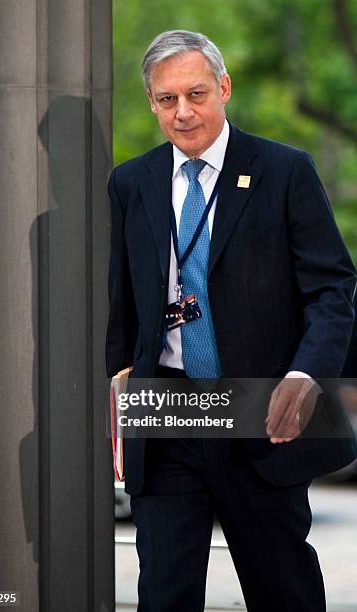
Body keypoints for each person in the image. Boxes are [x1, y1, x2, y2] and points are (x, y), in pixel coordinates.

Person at [106, 30, 357, 611]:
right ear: (151, 102)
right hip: (168, 413)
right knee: (164, 596)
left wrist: (305, 375)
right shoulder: (131, 183)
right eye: (167, 100)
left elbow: (332, 287)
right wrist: (118, 374)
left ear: (224, 87)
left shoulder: (285, 169)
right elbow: (123, 297)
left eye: (195, 94)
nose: (183, 112)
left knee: (284, 593)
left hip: (260, 413)